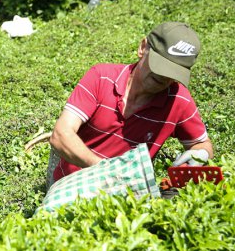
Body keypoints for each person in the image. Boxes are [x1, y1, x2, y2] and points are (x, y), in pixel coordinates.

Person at [49, 22, 214, 185]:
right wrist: (106, 172)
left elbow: (201, 143)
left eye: (174, 71)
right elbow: (61, 135)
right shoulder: (101, 77)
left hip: (127, 196)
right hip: (69, 186)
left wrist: (200, 154)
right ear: (143, 48)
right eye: (161, 65)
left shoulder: (179, 100)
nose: (164, 77)